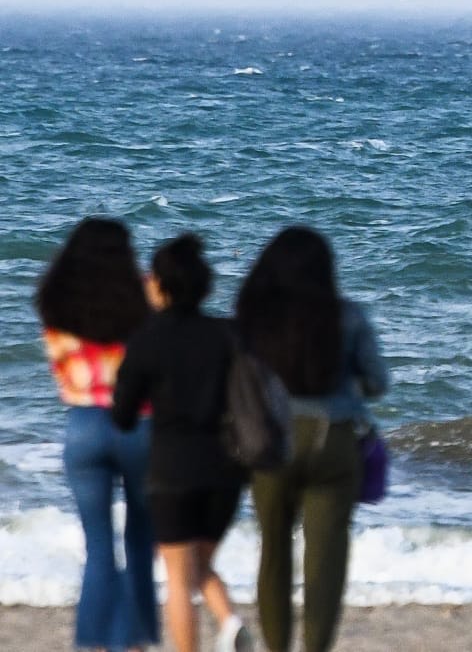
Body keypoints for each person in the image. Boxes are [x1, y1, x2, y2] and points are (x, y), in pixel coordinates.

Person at [235, 226, 389, 652]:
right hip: (333, 440)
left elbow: (240, 384)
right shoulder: (348, 315)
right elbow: (378, 382)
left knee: (274, 552)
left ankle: (277, 647)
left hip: (271, 443)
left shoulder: (254, 317)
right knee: (325, 560)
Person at [111, 234, 252, 652]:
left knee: (177, 576)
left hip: (172, 468)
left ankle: (216, 631)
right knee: (200, 566)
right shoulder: (229, 335)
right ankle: (228, 623)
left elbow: (123, 414)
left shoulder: (148, 339)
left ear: (160, 284)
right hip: (227, 471)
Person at [34, 217, 159, 652]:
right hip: (139, 423)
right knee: (141, 543)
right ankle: (135, 642)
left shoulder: (54, 301)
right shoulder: (143, 297)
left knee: (99, 548)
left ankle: (92, 645)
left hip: (84, 424)